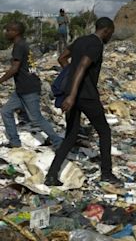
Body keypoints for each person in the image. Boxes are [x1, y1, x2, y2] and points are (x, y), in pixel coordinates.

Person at [44, 17, 121, 186]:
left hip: (72, 95)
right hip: (85, 96)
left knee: (70, 136)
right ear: (107, 30)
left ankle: (51, 175)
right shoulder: (96, 44)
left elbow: (62, 58)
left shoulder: (80, 41)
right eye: (111, 34)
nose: (110, 37)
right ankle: (106, 174)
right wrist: (72, 94)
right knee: (104, 132)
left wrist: (70, 81)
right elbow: (82, 66)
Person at [0, 22, 63, 148]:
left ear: (16, 32)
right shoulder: (23, 44)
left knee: (36, 118)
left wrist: (0, 80)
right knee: (6, 111)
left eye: (8, 30)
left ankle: (58, 142)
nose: (6, 33)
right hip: (22, 88)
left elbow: (15, 68)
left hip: (28, 88)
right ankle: (15, 142)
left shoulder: (19, 46)